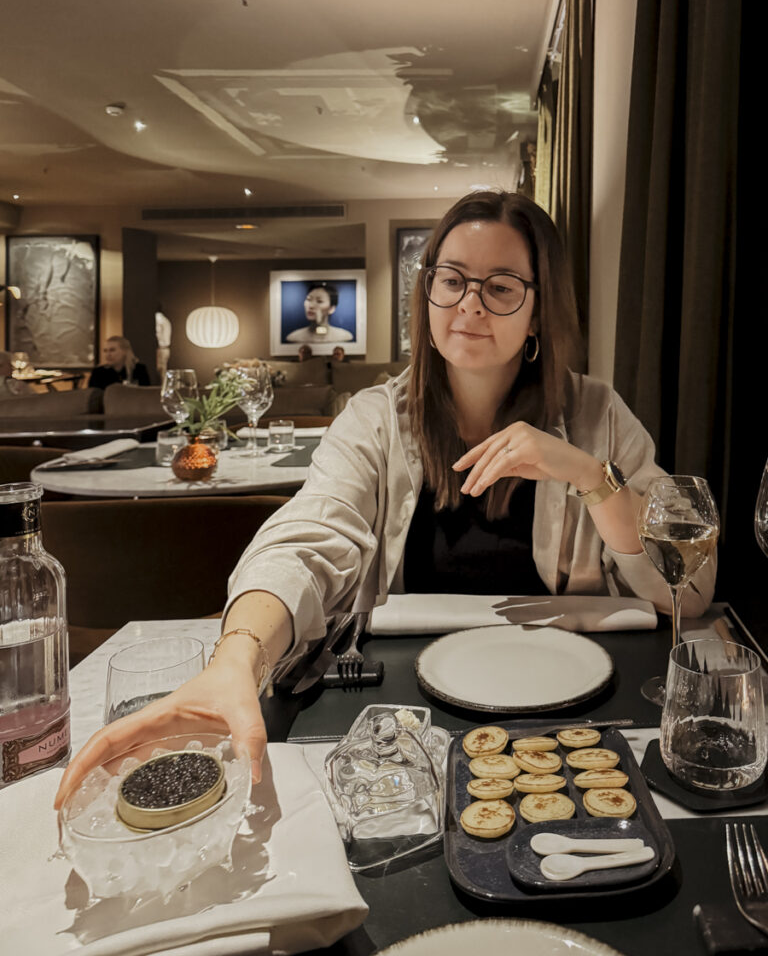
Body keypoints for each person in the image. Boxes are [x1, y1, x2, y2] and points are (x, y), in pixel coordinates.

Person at [55, 191, 715, 805]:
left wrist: (589, 474)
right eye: (452, 280)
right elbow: (309, 537)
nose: (470, 304)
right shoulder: (374, 417)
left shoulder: (596, 414)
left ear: (539, 309)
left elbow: (686, 592)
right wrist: (237, 657)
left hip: (573, 701)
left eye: (501, 287)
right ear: (427, 293)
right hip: (405, 716)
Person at [285, 282, 354, 344]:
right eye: (308, 299)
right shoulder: (294, 337)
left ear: (331, 308)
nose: (311, 306)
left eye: (319, 301)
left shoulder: (344, 336)